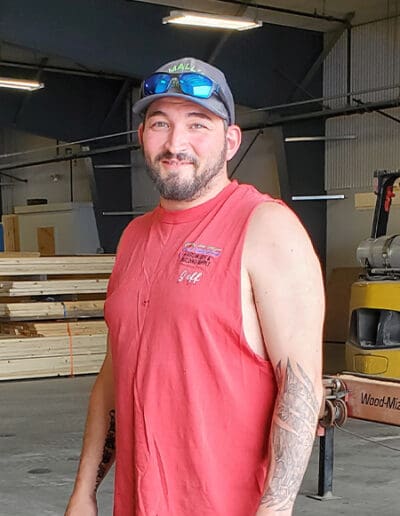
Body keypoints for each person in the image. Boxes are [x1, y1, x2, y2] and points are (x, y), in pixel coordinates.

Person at [65, 57, 324, 516]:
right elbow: (113, 375)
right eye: (159, 123)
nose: (175, 142)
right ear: (142, 136)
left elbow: (300, 386)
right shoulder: (133, 238)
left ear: (230, 141)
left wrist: (276, 509)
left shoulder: (265, 227)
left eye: (197, 124)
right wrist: (84, 491)